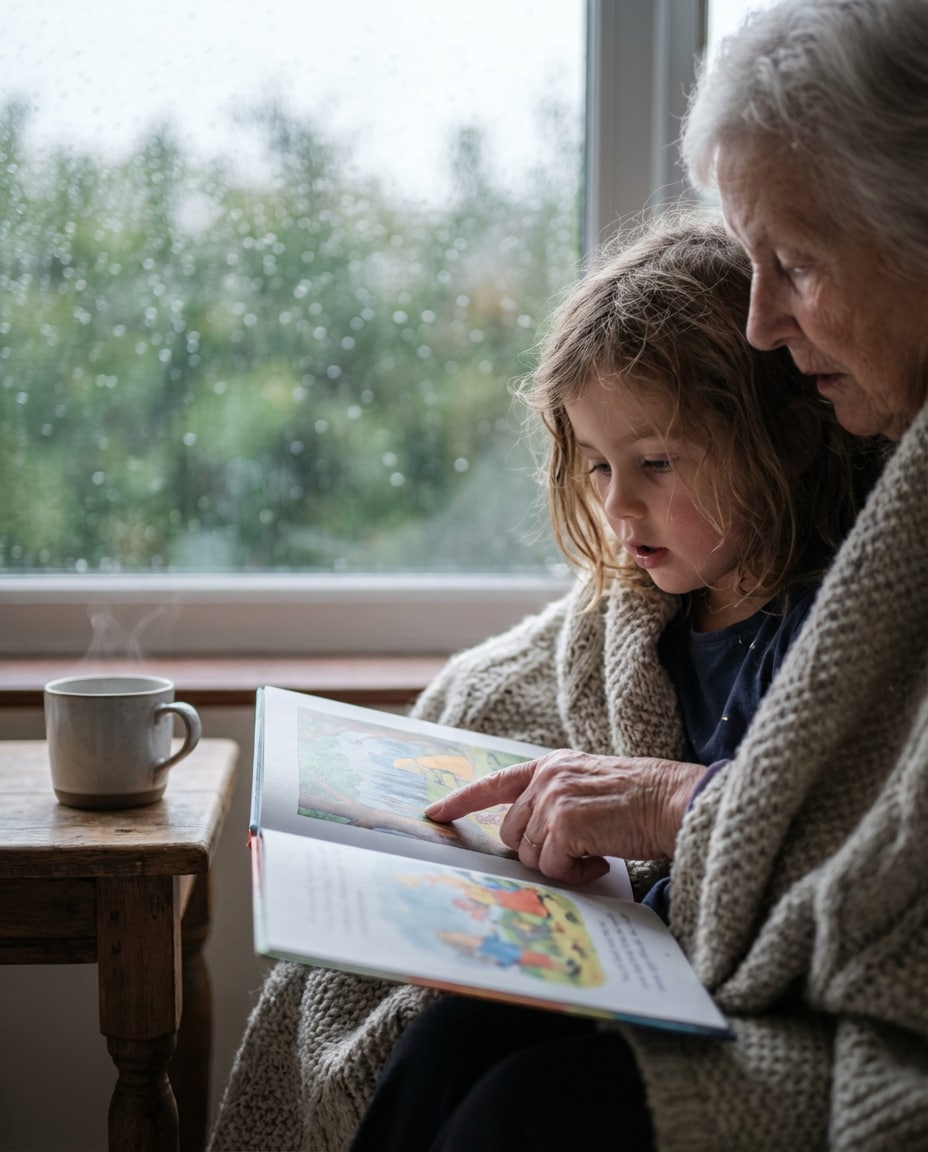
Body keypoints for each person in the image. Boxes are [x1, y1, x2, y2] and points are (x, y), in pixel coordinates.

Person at [209, 0, 928, 1144]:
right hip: (645, 956)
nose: (760, 323)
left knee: (518, 1113)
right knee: (449, 1039)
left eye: (794, 262)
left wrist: (674, 809)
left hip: (752, 995)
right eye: (596, 465)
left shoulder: (843, 580)